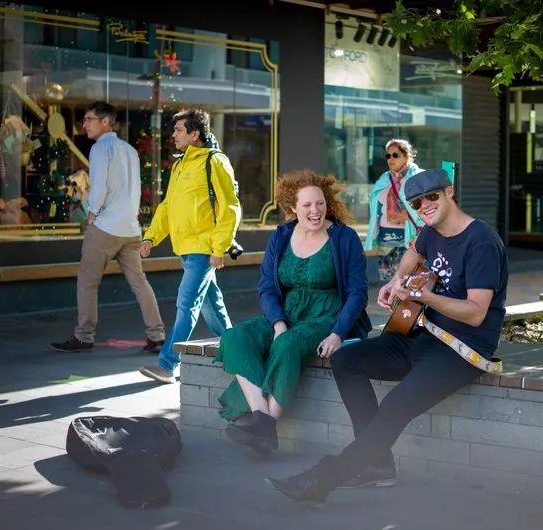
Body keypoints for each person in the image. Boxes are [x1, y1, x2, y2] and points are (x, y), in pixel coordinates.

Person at [266, 168, 509, 506]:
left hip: (460, 351)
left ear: (450, 192)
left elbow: (476, 312)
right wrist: (397, 281)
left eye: (432, 196)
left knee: (394, 407)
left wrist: (425, 298)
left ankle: (324, 478)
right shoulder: (432, 231)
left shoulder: (481, 240)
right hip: (421, 336)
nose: (424, 205)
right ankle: (377, 465)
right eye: (417, 202)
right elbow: (414, 252)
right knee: (346, 359)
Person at [216, 170, 371, 454]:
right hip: (286, 313)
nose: (316, 210)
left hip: (328, 315)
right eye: (307, 205)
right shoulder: (281, 236)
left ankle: (264, 426)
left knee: (288, 344)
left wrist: (338, 333)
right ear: (292, 208)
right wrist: (277, 323)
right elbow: (267, 288)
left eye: (320, 203)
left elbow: (358, 293)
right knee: (235, 337)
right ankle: (264, 422)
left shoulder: (344, 238)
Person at [51, 101, 165, 353]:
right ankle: (156, 335)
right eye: (84, 119)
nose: (84, 124)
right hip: (131, 228)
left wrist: (91, 213)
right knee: (139, 282)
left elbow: (99, 186)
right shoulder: (130, 151)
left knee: (87, 282)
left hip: (105, 227)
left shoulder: (101, 148)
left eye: (89, 119)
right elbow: (135, 190)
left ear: (105, 121)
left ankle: (84, 336)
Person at [138, 109, 241, 384]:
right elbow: (168, 207)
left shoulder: (215, 161)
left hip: (204, 249)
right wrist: (151, 237)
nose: (173, 135)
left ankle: (168, 364)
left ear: (195, 134)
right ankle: (239, 352)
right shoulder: (180, 164)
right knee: (212, 305)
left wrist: (219, 248)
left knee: (187, 303)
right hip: (185, 247)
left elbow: (231, 207)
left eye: (179, 130)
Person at [364, 138, 424, 282]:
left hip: (408, 236)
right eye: (388, 155)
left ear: (406, 156)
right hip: (386, 236)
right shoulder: (385, 178)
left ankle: (407, 304)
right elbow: (375, 205)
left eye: (395, 155)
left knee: (406, 278)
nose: (390, 159)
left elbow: (422, 206)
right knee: (388, 278)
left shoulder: (417, 177)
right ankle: (391, 304)